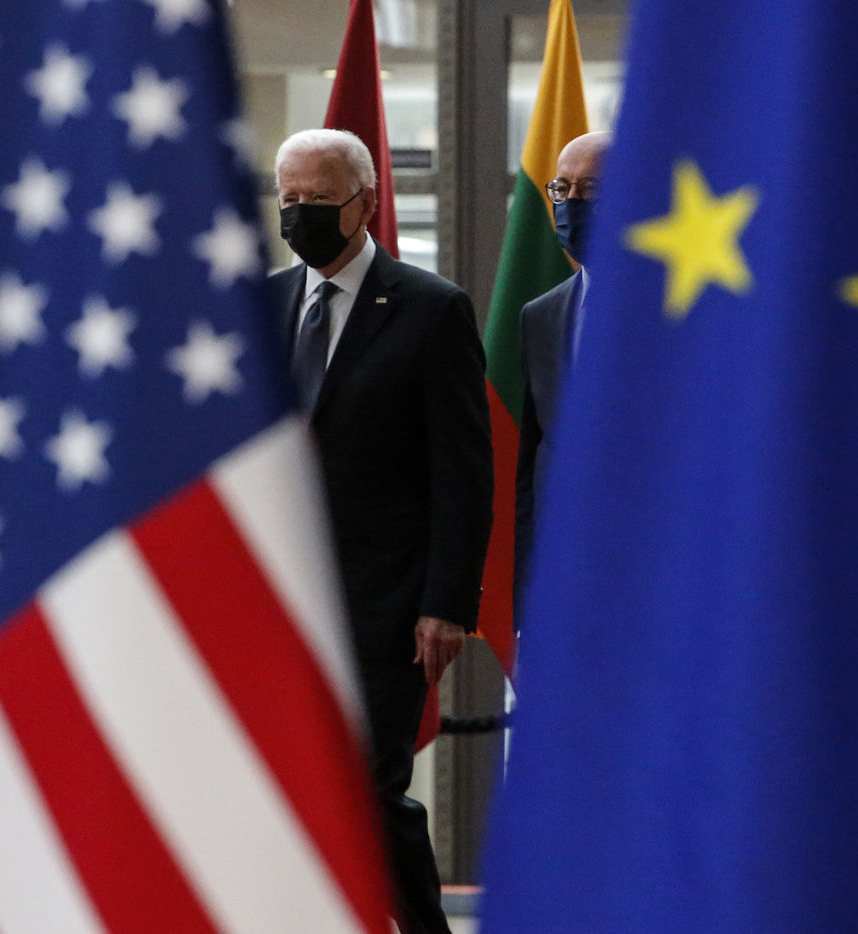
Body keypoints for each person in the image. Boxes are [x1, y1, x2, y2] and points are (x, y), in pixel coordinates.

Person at [269, 128, 494, 934]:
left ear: (365, 203)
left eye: (319, 200)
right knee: (283, 789)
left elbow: (463, 473)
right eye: (289, 200)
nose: (299, 215)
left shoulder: (431, 309)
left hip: (385, 605)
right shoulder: (259, 305)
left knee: (368, 786)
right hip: (276, 604)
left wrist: (447, 603)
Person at [515, 131, 611, 608]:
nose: (572, 202)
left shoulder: (684, 311)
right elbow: (532, 463)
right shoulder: (541, 315)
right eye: (562, 188)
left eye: (590, 189)